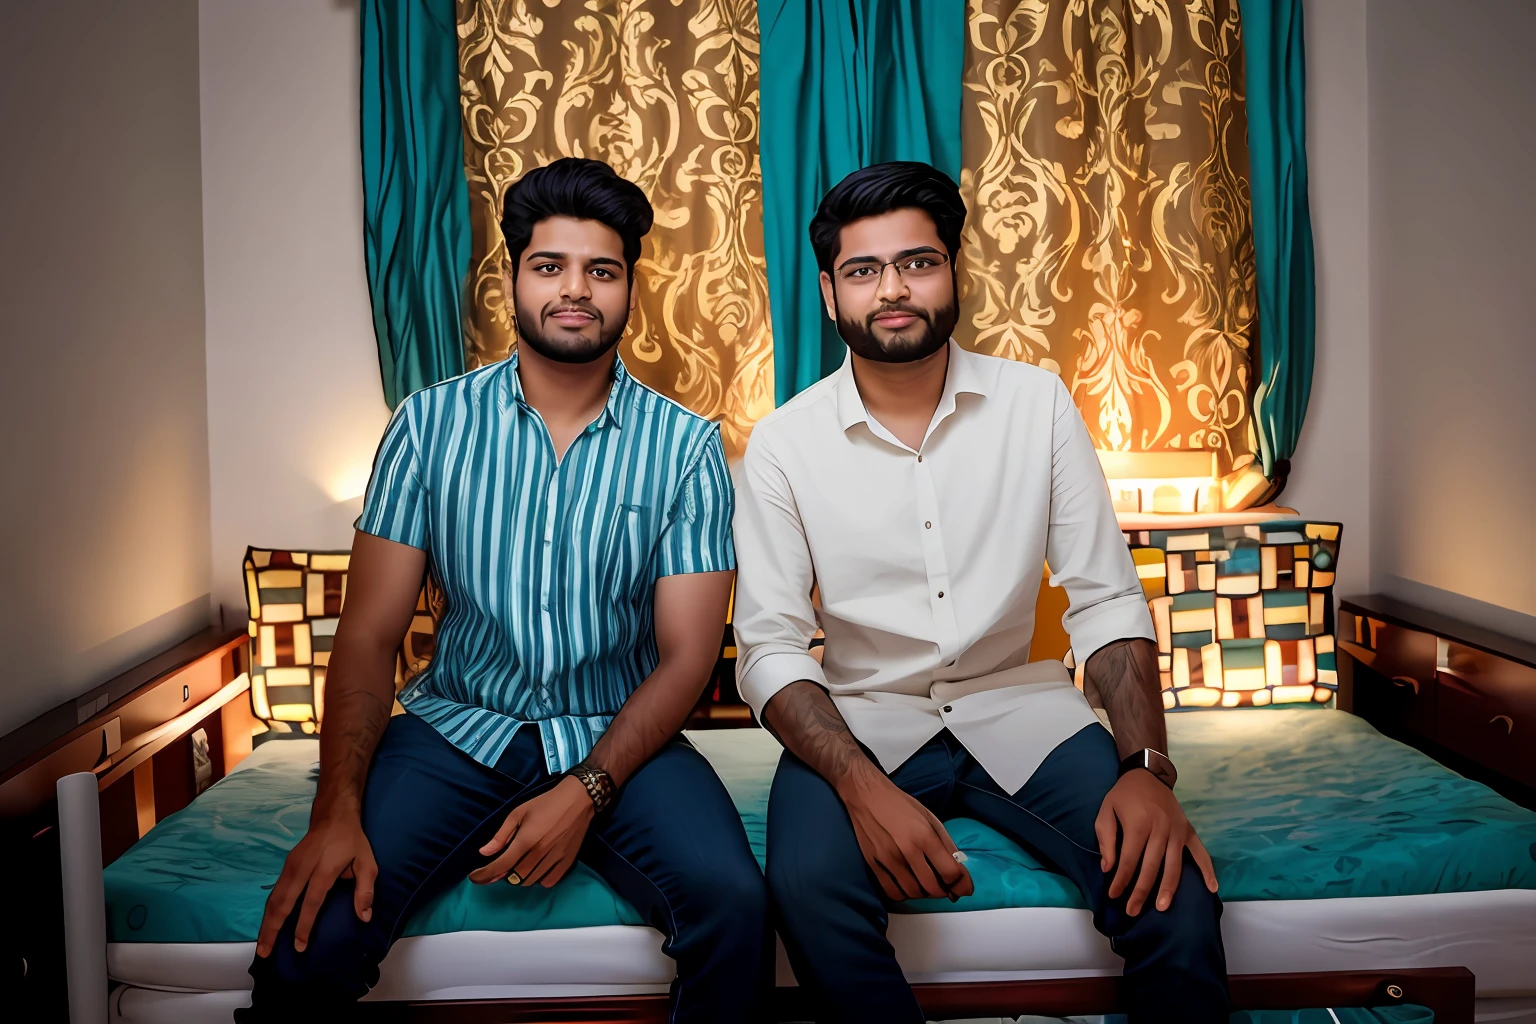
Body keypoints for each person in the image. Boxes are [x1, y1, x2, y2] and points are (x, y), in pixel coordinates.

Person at [240, 157, 769, 1022]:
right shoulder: (428, 425)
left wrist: (587, 790)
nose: (575, 290)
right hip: (454, 729)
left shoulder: (685, 447)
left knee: (736, 909)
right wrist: (335, 810)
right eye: (549, 266)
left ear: (630, 287)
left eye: (601, 270)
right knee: (313, 936)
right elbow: (371, 635)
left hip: (620, 737)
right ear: (512, 278)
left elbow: (686, 656)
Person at [733, 161, 1228, 1023]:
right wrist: (860, 786)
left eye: (917, 262)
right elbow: (770, 646)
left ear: (954, 272)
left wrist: (1146, 767)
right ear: (829, 291)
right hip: (863, 716)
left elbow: (1105, 601)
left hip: (1022, 710)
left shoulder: (1037, 405)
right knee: (807, 890)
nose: (893, 288)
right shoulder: (782, 444)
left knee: (1174, 895)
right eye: (863, 270)